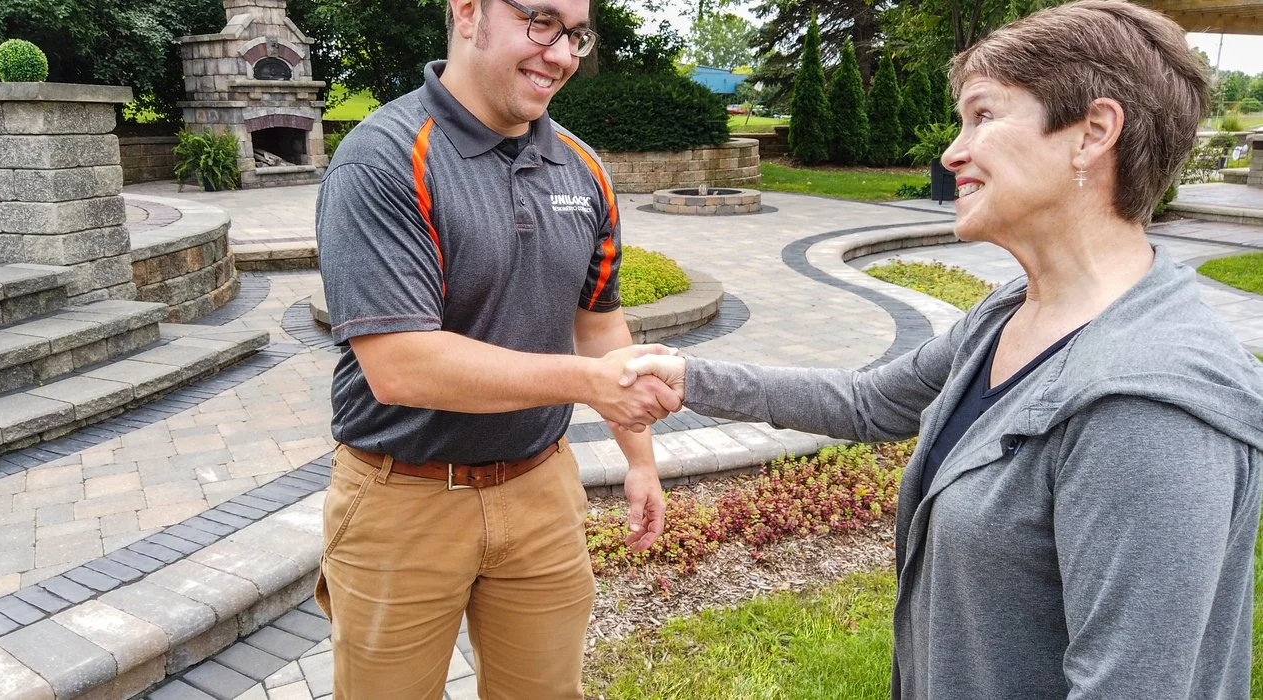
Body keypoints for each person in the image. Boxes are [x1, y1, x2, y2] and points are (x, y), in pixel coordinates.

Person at [621, 1, 1263, 697]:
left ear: (1094, 132)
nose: (952, 152)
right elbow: (871, 404)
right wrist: (691, 377)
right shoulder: (1012, 311)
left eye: (983, 116)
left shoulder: (1147, 412)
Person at [313, 0, 680, 697]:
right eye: (540, 21)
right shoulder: (383, 158)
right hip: (403, 497)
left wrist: (640, 461)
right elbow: (399, 365)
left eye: (575, 34)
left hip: (541, 487)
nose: (564, 54)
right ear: (467, 12)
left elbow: (600, 324)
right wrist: (583, 383)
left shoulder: (583, 168)